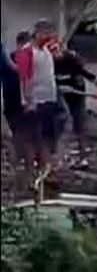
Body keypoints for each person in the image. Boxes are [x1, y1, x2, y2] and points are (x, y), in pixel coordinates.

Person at [50, 39, 97, 159]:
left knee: (80, 124)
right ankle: (59, 154)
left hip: (77, 96)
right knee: (61, 124)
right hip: (61, 99)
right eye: (52, 51)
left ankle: (83, 154)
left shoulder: (72, 61)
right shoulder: (49, 64)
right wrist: (59, 88)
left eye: (56, 49)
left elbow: (94, 79)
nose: (55, 53)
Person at [13, 20, 62, 173]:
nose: (49, 37)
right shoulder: (27, 52)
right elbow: (24, 78)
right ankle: (30, 170)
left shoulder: (47, 50)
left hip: (49, 100)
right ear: (38, 33)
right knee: (32, 139)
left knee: (47, 137)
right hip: (34, 101)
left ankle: (44, 170)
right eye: (46, 33)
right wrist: (28, 101)